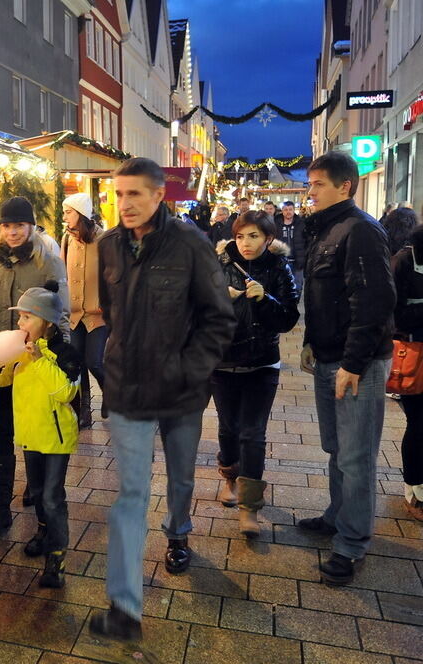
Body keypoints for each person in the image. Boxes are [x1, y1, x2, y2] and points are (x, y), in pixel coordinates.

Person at [89, 158, 235, 641]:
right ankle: (125, 608)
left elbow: (219, 318)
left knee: (181, 479)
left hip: (180, 392)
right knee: (130, 495)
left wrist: (185, 369)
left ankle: (178, 533)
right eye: (119, 194)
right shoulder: (108, 246)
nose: (125, 203)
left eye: (135, 194)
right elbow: (113, 313)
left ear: (158, 196)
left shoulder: (190, 244)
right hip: (128, 387)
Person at [298, 152, 396, 585]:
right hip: (329, 356)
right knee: (337, 448)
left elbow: (373, 302)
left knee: (356, 456)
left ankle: (352, 543)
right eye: (311, 183)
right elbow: (325, 297)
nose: (311, 190)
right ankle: (338, 516)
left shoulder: (360, 230)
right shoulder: (326, 229)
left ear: (345, 187)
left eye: (319, 184)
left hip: (357, 363)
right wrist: (309, 341)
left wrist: (353, 364)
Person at [0, 281, 80, 587]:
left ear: (47, 322)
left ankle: (56, 559)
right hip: (29, 435)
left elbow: (65, 392)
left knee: (52, 498)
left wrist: (38, 360)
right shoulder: (20, 352)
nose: (20, 323)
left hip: (56, 438)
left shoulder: (66, 353)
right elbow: (1, 379)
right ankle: (42, 531)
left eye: (27, 317)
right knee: (37, 493)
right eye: (20, 317)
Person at [0, 196, 69, 534]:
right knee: (0, 434)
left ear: (31, 226)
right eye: (7, 226)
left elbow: (61, 314)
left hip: (32, 361)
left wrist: (60, 357)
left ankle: (38, 494)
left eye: (19, 225)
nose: (13, 232)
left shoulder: (48, 262)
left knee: (32, 433)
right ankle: (1, 509)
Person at [212, 211, 300, 536]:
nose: (246, 243)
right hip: (223, 362)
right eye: (240, 236)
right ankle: (229, 477)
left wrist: (266, 299)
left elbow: (289, 318)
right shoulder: (218, 266)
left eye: (253, 236)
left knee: (253, 433)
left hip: (262, 363)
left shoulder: (279, 269)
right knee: (228, 429)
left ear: (268, 239)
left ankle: (249, 508)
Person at [60, 192, 107, 429]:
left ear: (80, 214)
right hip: (74, 313)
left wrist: (107, 303)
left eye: (68, 212)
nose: (65, 217)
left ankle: (110, 395)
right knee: (76, 363)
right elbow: (62, 274)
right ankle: (84, 410)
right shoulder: (67, 239)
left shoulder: (104, 239)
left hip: (98, 314)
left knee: (95, 362)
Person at [391, 224, 423, 521]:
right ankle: (415, 486)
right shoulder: (405, 259)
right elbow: (392, 311)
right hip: (415, 354)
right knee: (419, 422)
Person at [274, 200, 307, 293]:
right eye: (285, 210)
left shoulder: (301, 224)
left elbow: (307, 241)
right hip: (281, 262)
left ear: (294, 210)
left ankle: (294, 306)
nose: (288, 212)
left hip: (298, 262)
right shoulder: (276, 224)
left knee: (297, 287)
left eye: (290, 209)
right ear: (282, 211)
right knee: (281, 287)